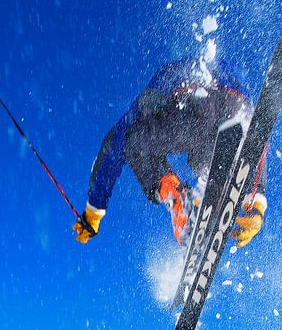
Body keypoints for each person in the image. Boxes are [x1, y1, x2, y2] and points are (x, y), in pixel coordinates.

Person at [73, 58, 267, 248]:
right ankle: (208, 199)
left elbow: (115, 145)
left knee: (131, 141)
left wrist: (94, 211)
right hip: (238, 108)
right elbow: (253, 137)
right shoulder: (228, 71)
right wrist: (257, 202)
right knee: (201, 159)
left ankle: (181, 204)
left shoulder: (160, 86)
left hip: (198, 105)